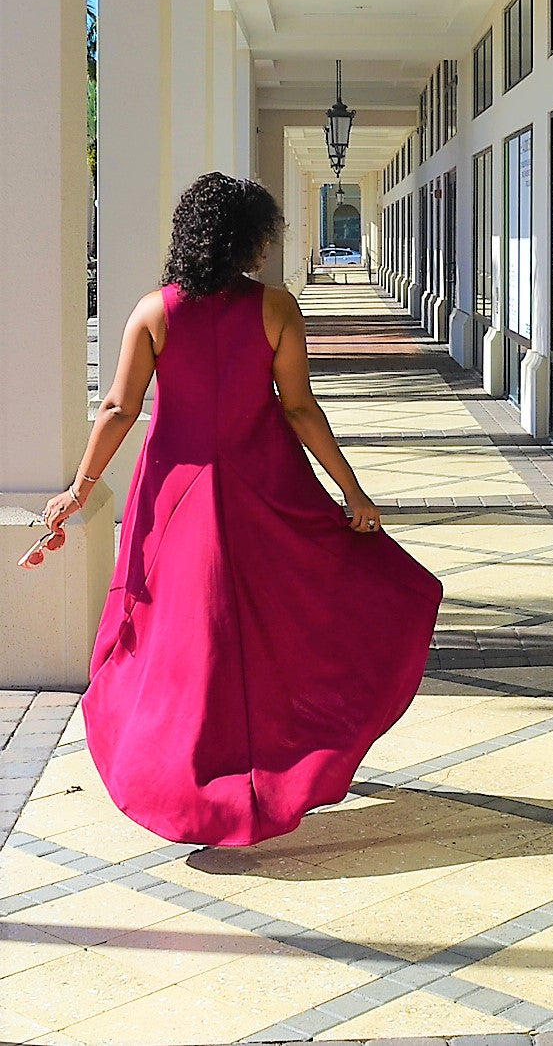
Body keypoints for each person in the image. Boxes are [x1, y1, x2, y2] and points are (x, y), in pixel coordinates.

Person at [39, 174, 442, 847]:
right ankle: (277, 763)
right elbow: (298, 407)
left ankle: (179, 777)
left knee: (179, 639)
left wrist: (80, 487)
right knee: (276, 626)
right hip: (267, 489)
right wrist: (352, 491)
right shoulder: (277, 308)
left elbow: (118, 407)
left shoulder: (154, 312)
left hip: (174, 494)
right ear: (249, 237)